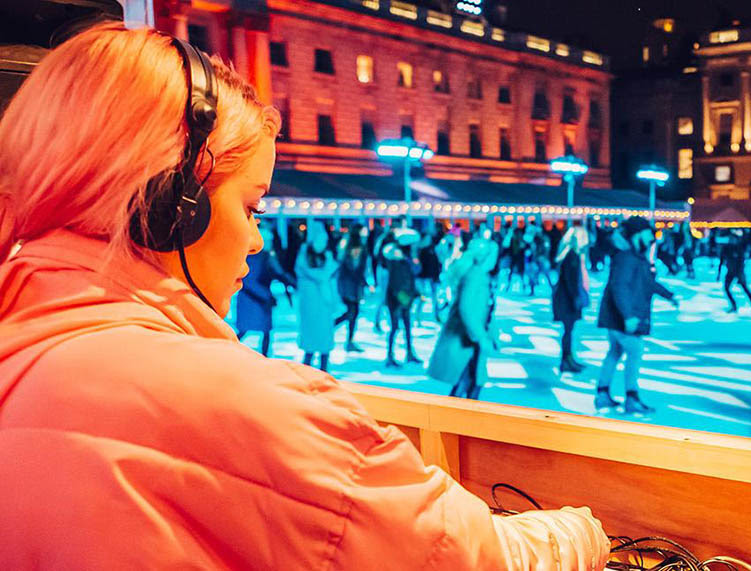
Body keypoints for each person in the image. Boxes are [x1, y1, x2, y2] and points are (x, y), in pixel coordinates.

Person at [0, 23, 610, 569]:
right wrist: (583, 532)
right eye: (250, 204)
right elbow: (464, 555)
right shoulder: (246, 409)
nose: (259, 240)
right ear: (171, 205)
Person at [595, 216, 679, 414]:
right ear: (637, 235)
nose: (652, 239)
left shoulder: (633, 255)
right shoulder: (627, 257)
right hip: (622, 317)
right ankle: (631, 397)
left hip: (617, 316)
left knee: (615, 352)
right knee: (635, 351)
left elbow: (646, 283)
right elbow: (620, 287)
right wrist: (628, 316)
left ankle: (602, 393)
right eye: (648, 235)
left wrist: (668, 295)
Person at [429, 238, 498, 400]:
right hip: (466, 338)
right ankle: (458, 420)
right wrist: (481, 336)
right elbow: (466, 308)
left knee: (468, 381)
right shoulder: (476, 276)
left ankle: (460, 419)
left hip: (466, 336)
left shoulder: (474, 273)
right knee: (469, 382)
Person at [236, 223, 296, 356]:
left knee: (263, 330)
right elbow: (250, 280)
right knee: (251, 329)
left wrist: (292, 282)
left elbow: (278, 272)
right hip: (253, 299)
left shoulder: (264, 256)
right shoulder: (254, 258)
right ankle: (232, 351)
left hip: (258, 298)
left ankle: (263, 355)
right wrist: (266, 296)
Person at [295, 221, 338, 371]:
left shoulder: (327, 257)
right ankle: (306, 370)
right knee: (310, 341)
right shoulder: (304, 255)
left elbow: (329, 277)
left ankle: (323, 370)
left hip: (324, 306)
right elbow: (308, 274)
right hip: (310, 304)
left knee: (324, 341)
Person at [552, 226, 590, 374]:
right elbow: (570, 280)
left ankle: (568, 359)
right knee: (568, 330)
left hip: (566, 298)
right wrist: (575, 298)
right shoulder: (571, 256)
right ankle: (566, 360)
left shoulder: (568, 254)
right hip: (567, 299)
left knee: (569, 330)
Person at [384, 228, 422, 367]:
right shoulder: (397, 259)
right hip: (397, 298)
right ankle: (390, 355)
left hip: (404, 296)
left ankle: (408, 352)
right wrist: (401, 298)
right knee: (395, 327)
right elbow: (397, 281)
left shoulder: (405, 259)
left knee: (406, 325)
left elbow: (415, 272)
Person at [334, 224, 369, 352]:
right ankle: (337, 331)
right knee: (352, 312)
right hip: (351, 285)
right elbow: (353, 266)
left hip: (349, 284)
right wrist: (361, 279)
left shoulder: (346, 244)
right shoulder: (354, 246)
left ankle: (349, 340)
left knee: (352, 312)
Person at [719, 228, 751, 314]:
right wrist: (719, 273)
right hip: (730, 272)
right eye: (730, 239)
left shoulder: (739, 248)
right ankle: (734, 306)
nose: (731, 240)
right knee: (726, 288)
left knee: (744, 288)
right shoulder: (726, 248)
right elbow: (722, 260)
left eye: (733, 239)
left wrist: (740, 275)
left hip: (738, 272)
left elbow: (741, 262)